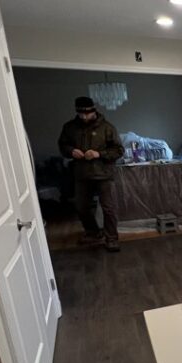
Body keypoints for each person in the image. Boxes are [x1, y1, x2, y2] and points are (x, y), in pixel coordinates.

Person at [58, 96, 124, 252]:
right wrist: (71, 151)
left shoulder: (107, 128)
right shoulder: (69, 127)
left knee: (108, 208)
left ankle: (112, 239)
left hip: (104, 174)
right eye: (81, 113)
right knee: (81, 207)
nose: (84, 117)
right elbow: (62, 145)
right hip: (81, 174)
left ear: (94, 111)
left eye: (87, 113)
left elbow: (119, 150)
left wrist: (99, 154)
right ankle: (93, 233)